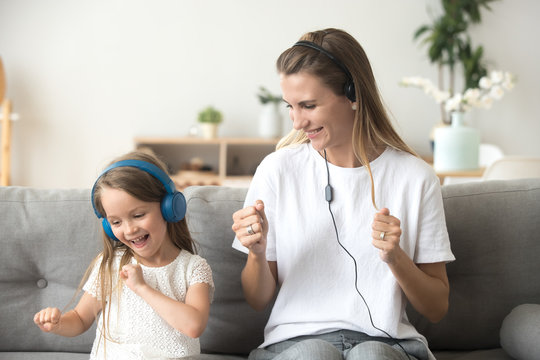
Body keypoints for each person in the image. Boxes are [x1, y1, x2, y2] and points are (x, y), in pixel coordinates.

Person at [231, 28, 455, 360]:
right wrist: (257, 253)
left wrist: (396, 258)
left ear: (352, 93)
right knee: (312, 355)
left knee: (372, 357)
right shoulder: (277, 170)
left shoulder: (415, 177)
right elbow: (257, 299)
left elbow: (436, 308)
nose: (296, 122)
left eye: (308, 105)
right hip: (294, 344)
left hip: (389, 345)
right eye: (290, 106)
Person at [34, 150, 214, 359]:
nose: (129, 230)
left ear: (169, 207)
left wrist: (142, 287)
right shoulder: (111, 265)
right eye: (116, 222)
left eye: (138, 215)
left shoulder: (194, 268)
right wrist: (58, 324)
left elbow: (194, 326)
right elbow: (80, 320)